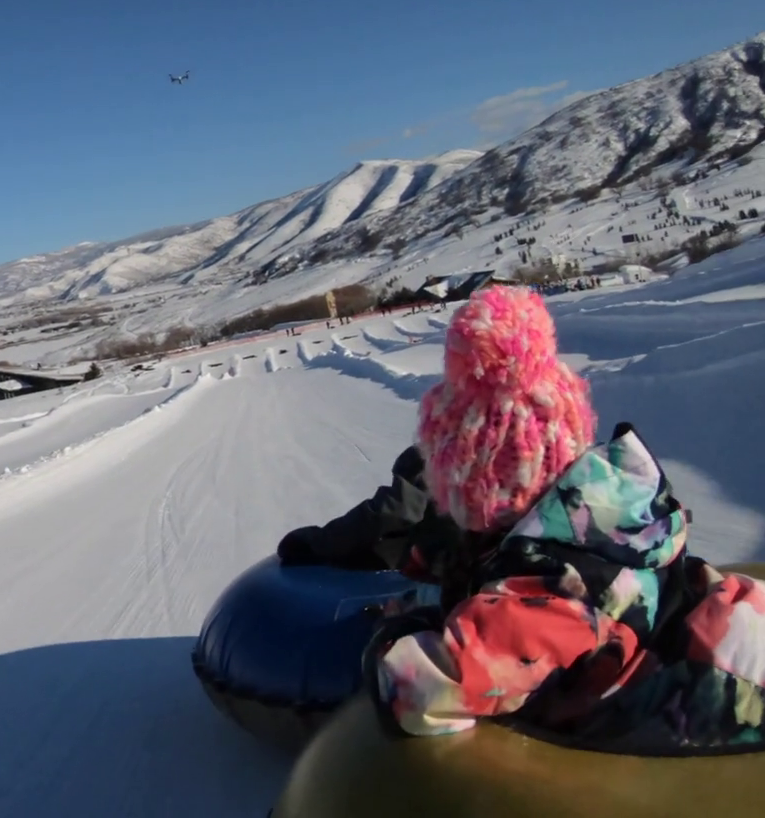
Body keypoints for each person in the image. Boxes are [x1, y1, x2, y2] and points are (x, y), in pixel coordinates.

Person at [276, 285, 765, 751]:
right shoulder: (606, 520)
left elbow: (420, 688)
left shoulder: (547, 596)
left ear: (478, 484)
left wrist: (405, 625)